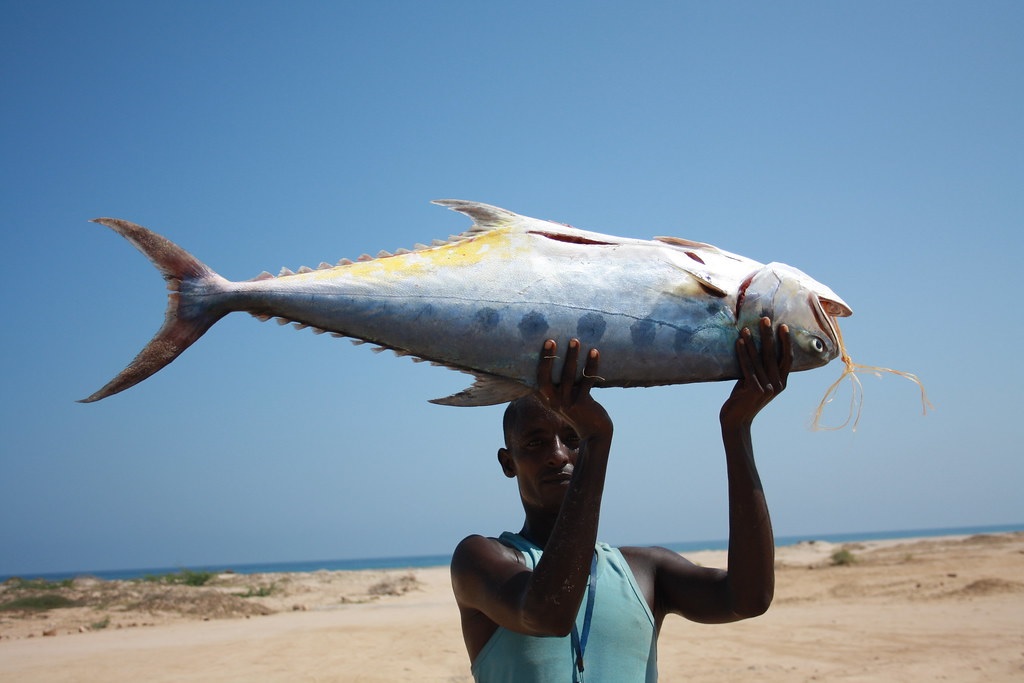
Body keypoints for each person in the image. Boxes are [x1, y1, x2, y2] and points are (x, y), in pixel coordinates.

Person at [450, 317, 792, 682]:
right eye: (535, 443)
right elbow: (546, 613)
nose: (558, 455)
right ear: (508, 463)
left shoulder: (644, 571)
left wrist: (737, 427)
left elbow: (749, 598)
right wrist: (595, 440)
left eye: (573, 438)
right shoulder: (479, 559)